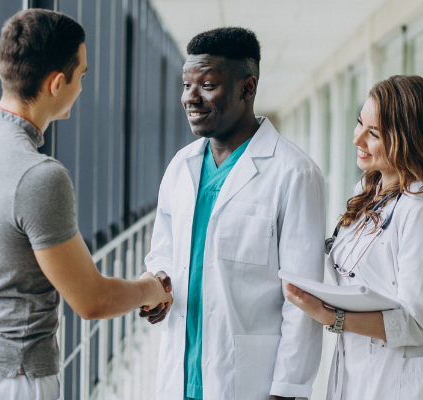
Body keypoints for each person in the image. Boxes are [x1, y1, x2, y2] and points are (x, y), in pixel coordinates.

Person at [0, 9, 171, 400]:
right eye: (82, 76)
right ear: (57, 83)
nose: (81, 86)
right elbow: (91, 300)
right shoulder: (39, 175)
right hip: (12, 379)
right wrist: (149, 289)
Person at [141, 27, 326, 400]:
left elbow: (302, 299)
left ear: (247, 87)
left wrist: (287, 391)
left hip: (248, 383)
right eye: (186, 85)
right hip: (181, 374)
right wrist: (157, 283)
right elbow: (162, 251)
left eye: (207, 85)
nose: (190, 98)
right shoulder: (181, 167)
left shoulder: (293, 173)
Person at [285, 75, 423, 400]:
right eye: (359, 123)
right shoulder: (368, 190)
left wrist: (331, 317)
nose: (357, 138)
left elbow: (415, 325)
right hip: (359, 366)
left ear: (409, 139)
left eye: (373, 133)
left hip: (405, 378)